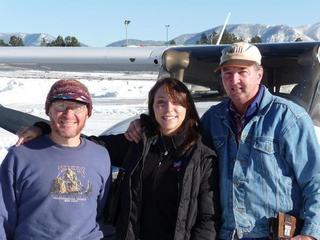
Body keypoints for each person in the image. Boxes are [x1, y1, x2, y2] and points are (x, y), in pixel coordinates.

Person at [124, 42, 320, 240]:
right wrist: (146, 124)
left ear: (259, 74)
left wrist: (310, 233)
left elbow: (315, 179)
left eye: (242, 71)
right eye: (227, 72)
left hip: (274, 235)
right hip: (227, 234)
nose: (234, 80)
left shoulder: (289, 118)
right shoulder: (213, 118)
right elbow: (179, 136)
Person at [14, 78, 221, 240]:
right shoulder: (136, 144)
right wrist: (43, 129)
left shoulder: (202, 157)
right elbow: (80, 141)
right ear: (152, 107)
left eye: (177, 103)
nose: (168, 109)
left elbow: (208, 219)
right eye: (161, 102)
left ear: (188, 108)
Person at [0, 79, 111, 239]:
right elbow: (3, 215)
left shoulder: (101, 156)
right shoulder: (20, 156)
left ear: (88, 113)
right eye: (60, 106)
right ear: (48, 110)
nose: (68, 114)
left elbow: (99, 210)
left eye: (78, 107)